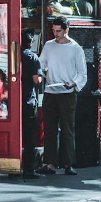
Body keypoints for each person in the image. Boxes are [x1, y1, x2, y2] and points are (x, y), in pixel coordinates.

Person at [38, 16, 87, 176]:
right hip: (50, 92)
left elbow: (82, 74)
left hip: (67, 93)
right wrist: (43, 73)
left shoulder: (76, 48)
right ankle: (50, 163)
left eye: (58, 31)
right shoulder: (48, 45)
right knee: (50, 128)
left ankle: (68, 164)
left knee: (68, 128)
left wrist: (73, 83)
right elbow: (41, 64)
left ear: (67, 29)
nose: (55, 34)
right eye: (53, 30)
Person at [19, 29, 44, 180]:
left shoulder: (12, 54)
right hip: (28, 100)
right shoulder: (32, 57)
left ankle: (13, 165)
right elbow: (37, 80)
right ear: (31, 42)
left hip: (13, 102)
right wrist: (41, 75)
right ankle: (28, 169)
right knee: (29, 136)